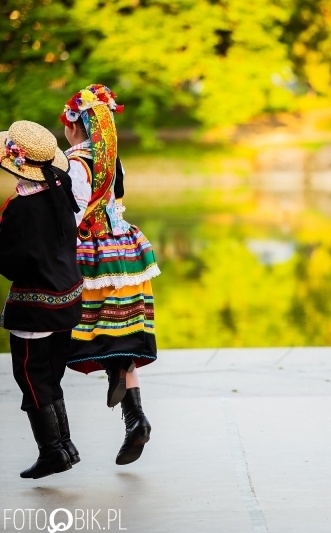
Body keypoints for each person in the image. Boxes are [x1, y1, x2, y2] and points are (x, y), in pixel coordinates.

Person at [60, 84, 160, 464]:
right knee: (118, 335)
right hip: (125, 252)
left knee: (79, 333)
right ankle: (136, 420)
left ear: (75, 125)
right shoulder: (112, 159)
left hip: (93, 256)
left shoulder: (77, 163)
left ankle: (54, 439)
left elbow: (74, 214)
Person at [0, 120, 84, 479]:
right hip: (68, 296)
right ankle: (64, 446)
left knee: (30, 376)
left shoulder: (20, 208)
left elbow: (13, 262)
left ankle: (54, 451)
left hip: (37, 306)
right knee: (50, 375)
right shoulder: (60, 187)